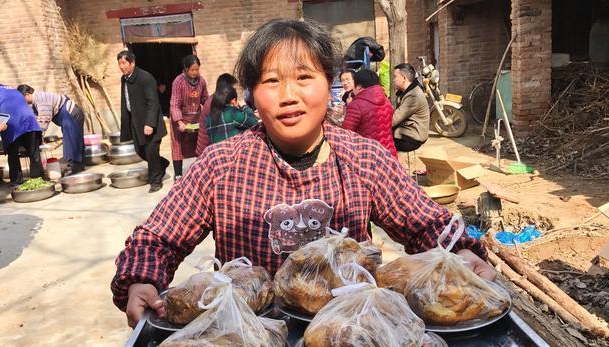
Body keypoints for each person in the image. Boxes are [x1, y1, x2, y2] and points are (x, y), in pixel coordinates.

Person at [111, 19, 495, 328]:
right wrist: (141, 279)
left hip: (350, 336)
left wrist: (461, 251)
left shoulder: (364, 159)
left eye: (304, 77)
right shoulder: (220, 166)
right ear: (252, 95)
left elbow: (425, 223)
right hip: (246, 337)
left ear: (328, 84)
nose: (288, 95)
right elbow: (157, 238)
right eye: (271, 81)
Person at [117, 50, 170, 193]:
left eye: (124, 63)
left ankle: (155, 182)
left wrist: (150, 123)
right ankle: (162, 163)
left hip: (149, 123)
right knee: (139, 151)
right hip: (136, 122)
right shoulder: (125, 79)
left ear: (132, 62)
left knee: (151, 152)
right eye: (119, 63)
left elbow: (153, 102)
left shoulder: (145, 78)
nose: (121, 66)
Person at [0, 78, 43, 186]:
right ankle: (38, 180)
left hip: (12, 123)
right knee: (34, 154)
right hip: (30, 121)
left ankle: (16, 181)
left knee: (13, 154)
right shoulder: (12, 89)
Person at [17, 85, 86, 176]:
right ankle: (79, 164)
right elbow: (35, 117)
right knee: (74, 138)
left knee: (72, 139)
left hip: (70, 113)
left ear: (27, 95)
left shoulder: (41, 100)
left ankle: (74, 166)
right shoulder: (37, 99)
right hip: (69, 114)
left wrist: (37, 137)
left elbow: (43, 122)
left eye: (22, 99)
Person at [342, 69, 398, 159]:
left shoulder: (356, 105)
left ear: (359, 87)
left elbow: (346, 134)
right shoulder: (386, 101)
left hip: (369, 158)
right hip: (390, 155)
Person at [169, 55, 208, 179]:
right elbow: (174, 103)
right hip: (180, 118)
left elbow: (205, 99)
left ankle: (200, 171)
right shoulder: (178, 81)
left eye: (197, 69)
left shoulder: (201, 81)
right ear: (185, 69)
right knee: (178, 147)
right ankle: (178, 174)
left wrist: (209, 112)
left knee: (200, 144)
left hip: (196, 118)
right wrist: (179, 122)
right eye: (192, 70)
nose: (195, 72)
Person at [196, 73, 238, 157]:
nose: (235, 90)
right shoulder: (213, 103)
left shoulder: (222, 100)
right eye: (233, 88)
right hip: (209, 149)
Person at [392, 63, 430, 152]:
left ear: (404, 78)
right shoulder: (405, 92)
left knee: (380, 141)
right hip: (406, 133)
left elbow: (393, 120)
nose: (393, 80)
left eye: (395, 77)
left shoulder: (414, 95)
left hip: (412, 138)